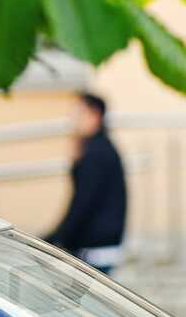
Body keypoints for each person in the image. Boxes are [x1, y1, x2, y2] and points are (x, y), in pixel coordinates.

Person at [46, 91, 128, 274]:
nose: (74, 120)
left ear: (95, 116)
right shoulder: (100, 147)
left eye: (79, 113)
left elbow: (83, 202)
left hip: (97, 246)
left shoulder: (96, 153)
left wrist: (58, 238)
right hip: (101, 243)